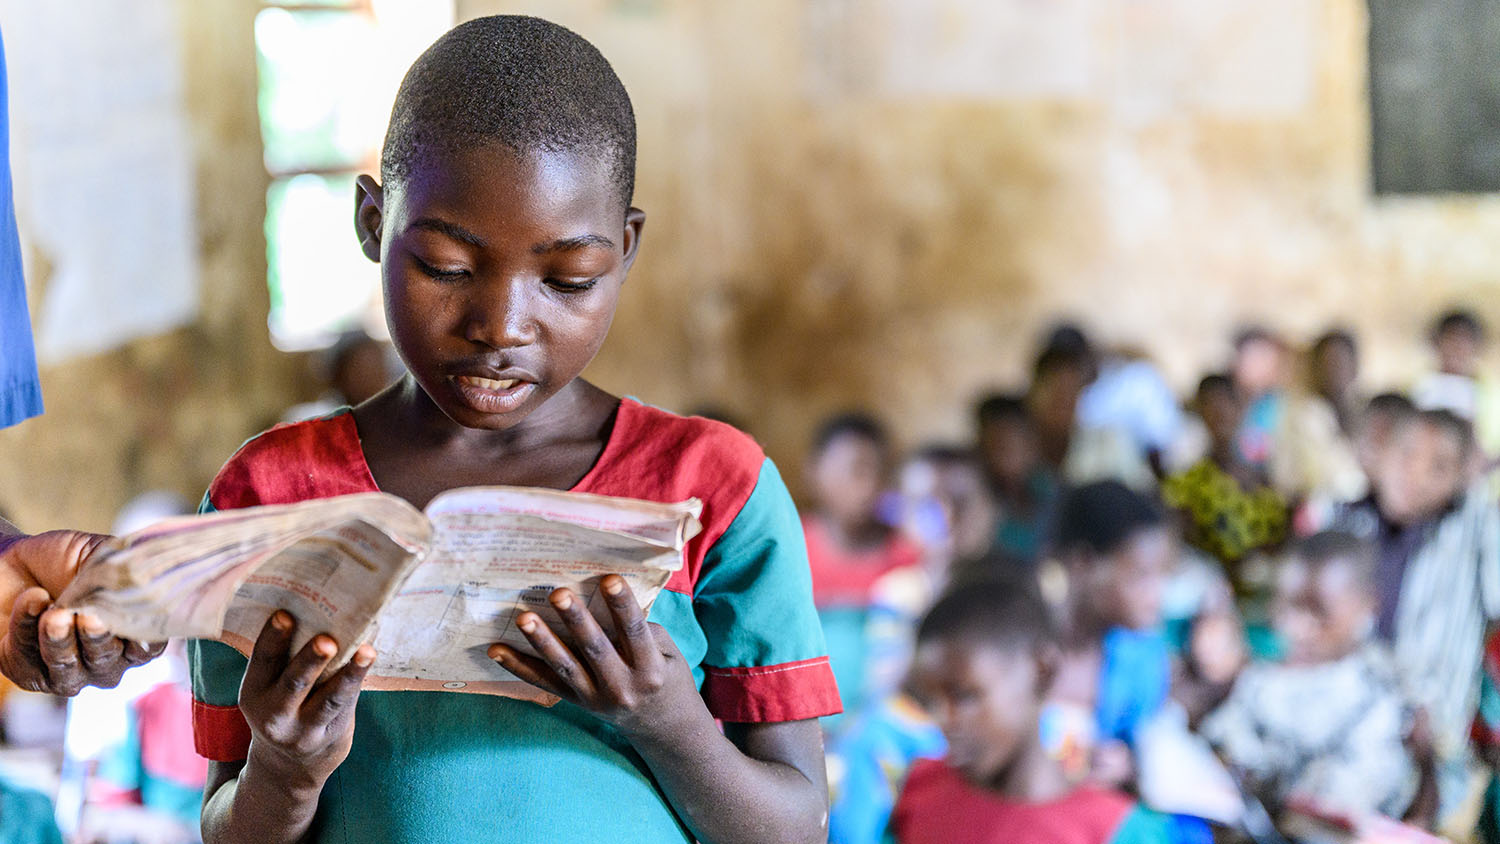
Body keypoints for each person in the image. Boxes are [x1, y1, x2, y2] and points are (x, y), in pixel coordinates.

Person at [189, 17, 839, 844]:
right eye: (448, 268)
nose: (501, 325)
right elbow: (226, 822)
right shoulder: (269, 499)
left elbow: (796, 827)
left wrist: (670, 724)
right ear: (372, 223)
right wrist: (284, 773)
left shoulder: (713, 491)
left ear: (624, 250)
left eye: (568, 279)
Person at [891, 577, 1177, 844]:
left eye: (964, 697)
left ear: (1043, 671)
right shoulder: (918, 790)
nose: (944, 720)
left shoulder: (1120, 832)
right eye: (931, 701)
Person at [1199, 531, 1436, 829]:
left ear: (1367, 605)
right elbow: (1223, 749)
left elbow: (1377, 797)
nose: (1297, 628)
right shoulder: (1261, 680)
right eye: (1288, 607)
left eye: (1318, 612)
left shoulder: (1389, 690)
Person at [1335, 408, 1500, 832]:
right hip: (1341, 730)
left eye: (1439, 467)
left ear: (1461, 477)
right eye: (1406, 454)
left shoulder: (1476, 529)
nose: (1416, 475)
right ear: (1382, 452)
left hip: (1430, 750)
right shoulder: (1346, 519)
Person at [801, 412, 922, 719]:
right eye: (856, 471)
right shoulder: (787, 549)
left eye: (879, 472)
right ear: (814, 471)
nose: (868, 486)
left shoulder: (907, 556)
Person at [974, 394, 1057, 564]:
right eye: (999, 445)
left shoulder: (1050, 489)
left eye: (1014, 443)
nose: (1006, 454)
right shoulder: (977, 500)